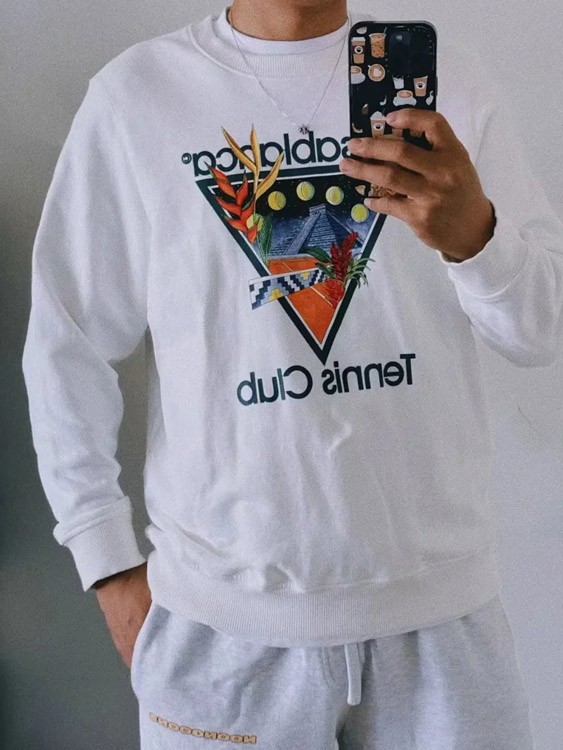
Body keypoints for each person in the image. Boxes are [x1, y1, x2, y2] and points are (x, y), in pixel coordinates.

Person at [21, 0, 561, 746]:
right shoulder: (136, 97)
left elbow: (539, 331)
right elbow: (66, 343)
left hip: (444, 625)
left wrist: (475, 238)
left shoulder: (450, 86)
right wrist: (106, 563)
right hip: (221, 632)